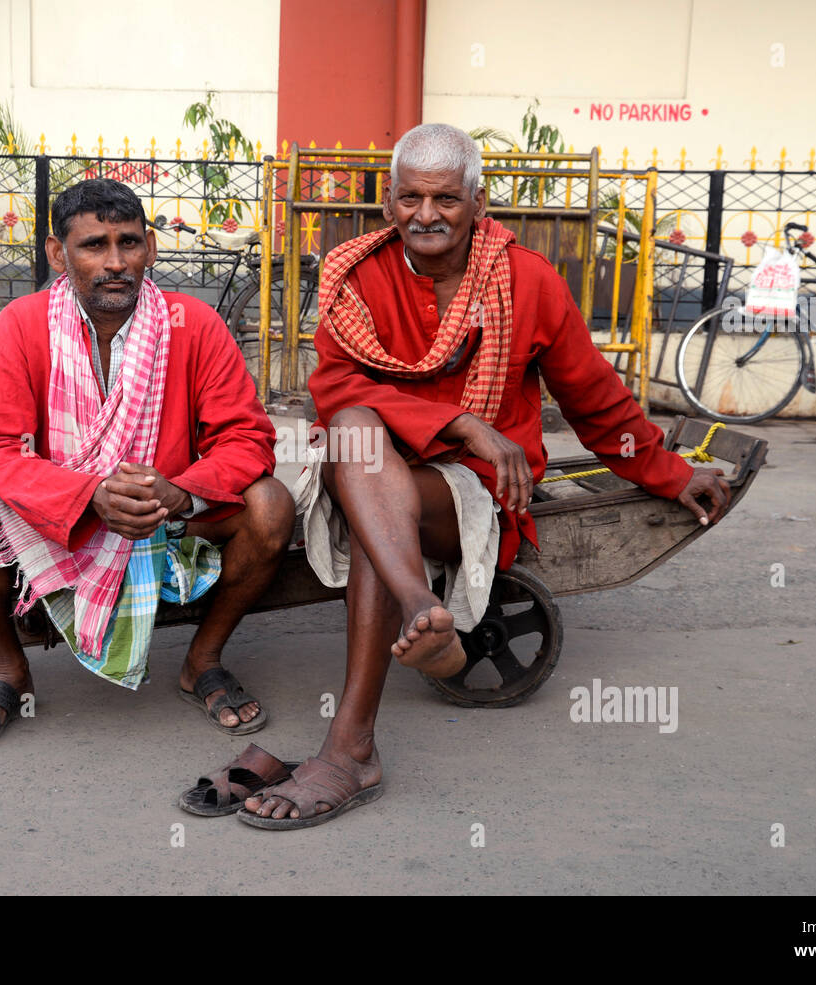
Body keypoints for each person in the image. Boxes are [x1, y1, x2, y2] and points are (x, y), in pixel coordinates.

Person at [237, 123, 730, 829]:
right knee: (355, 434)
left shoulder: (527, 280)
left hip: (471, 491)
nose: (426, 215)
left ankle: (351, 748)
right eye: (410, 197)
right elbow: (337, 390)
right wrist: (463, 421)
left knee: (381, 497)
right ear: (388, 204)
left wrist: (671, 471)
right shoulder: (357, 278)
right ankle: (418, 614)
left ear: (478, 201)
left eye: (445, 198)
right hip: (376, 472)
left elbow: (593, 395)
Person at [0, 178, 294, 750]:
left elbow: (247, 438)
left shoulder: (192, 323)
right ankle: (8, 672)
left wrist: (178, 492)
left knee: (271, 504)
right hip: (54, 520)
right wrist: (89, 495)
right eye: (94, 245)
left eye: (128, 243)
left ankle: (202, 662)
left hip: (164, 516)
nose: (116, 262)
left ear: (150, 245)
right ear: (57, 253)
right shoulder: (21, 326)